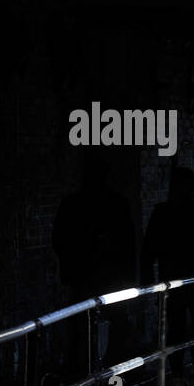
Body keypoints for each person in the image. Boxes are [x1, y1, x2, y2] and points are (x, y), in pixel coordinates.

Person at [51, 154, 137, 370]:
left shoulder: (72, 204)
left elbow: (59, 240)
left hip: (83, 276)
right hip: (111, 277)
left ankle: (81, 372)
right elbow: (128, 243)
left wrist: (71, 266)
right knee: (117, 323)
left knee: (82, 325)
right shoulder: (117, 204)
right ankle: (113, 368)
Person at [141, 166, 194, 383]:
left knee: (175, 328)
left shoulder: (162, 213)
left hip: (171, 278)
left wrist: (147, 278)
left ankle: (177, 370)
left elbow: (149, 249)